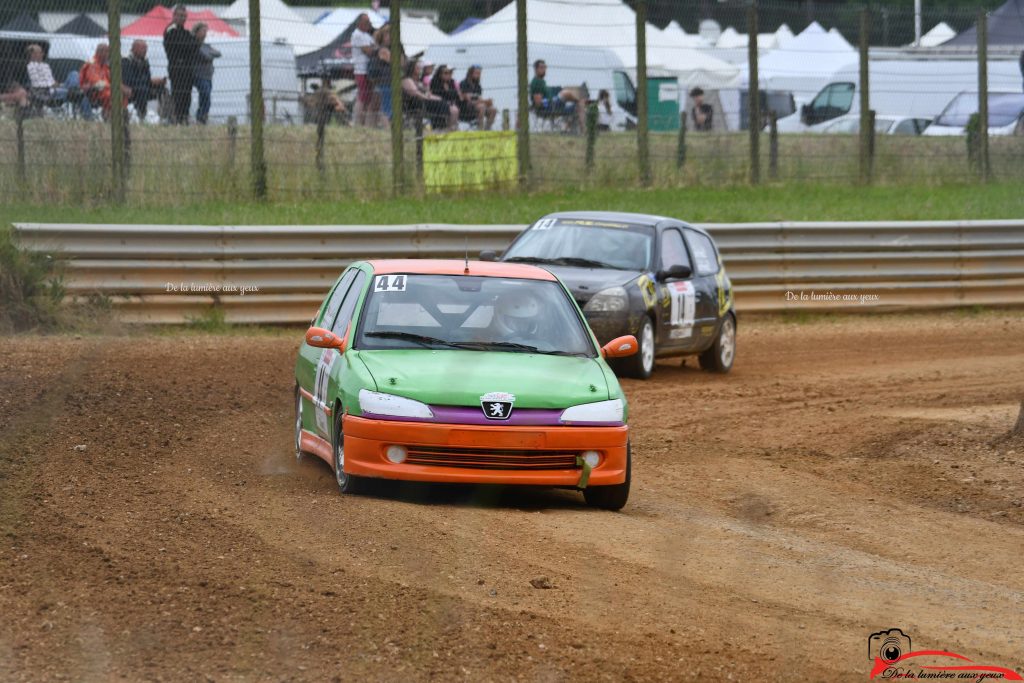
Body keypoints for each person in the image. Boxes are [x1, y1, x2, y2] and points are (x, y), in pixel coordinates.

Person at [164, 4, 199, 124]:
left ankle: (185, 117)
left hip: (187, 68)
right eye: (180, 15)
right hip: (177, 67)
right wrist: (188, 45)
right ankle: (178, 118)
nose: (182, 18)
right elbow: (181, 46)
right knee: (178, 93)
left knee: (187, 93)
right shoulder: (170, 30)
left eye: (184, 16)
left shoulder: (185, 32)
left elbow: (194, 46)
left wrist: (188, 45)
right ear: (174, 16)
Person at [402, 59, 456, 132]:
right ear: (412, 68)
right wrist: (428, 97)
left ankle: (444, 127)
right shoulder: (407, 80)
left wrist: (437, 98)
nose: (420, 68)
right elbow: (417, 94)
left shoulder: (419, 81)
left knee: (442, 102)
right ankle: (439, 128)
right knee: (439, 105)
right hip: (415, 103)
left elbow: (428, 92)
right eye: (418, 66)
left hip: (424, 100)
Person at [79, 43, 131, 120]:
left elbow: (112, 80)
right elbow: (97, 83)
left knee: (123, 94)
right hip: (94, 92)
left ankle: (120, 117)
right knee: (114, 94)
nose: (108, 55)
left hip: (107, 90)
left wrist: (122, 87)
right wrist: (117, 87)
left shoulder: (105, 66)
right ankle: (110, 116)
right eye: (107, 52)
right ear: (99, 52)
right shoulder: (91, 65)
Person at [529, 59, 585, 130]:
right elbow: (538, 104)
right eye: (541, 67)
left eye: (545, 67)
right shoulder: (536, 82)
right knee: (566, 93)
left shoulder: (541, 81)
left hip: (554, 106)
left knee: (578, 106)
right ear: (536, 69)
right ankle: (578, 100)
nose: (544, 69)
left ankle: (571, 129)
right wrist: (548, 102)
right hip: (549, 108)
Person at [122, 39, 166, 121]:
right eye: (142, 48)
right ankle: (141, 115)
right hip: (131, 88)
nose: (145, 51)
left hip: (144, 85)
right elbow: (129, 80)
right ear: (134, 48)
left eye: (146, 48)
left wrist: (156, 81)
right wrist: (149, 81)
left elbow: (147, 77)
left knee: (163, 89)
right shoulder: (126, 61)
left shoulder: (145, 61)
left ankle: (164, 115)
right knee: (142, 89)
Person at [192, 23, 220, 125]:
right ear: (197, 32)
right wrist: (210, 55)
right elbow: (205, 56)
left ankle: (203, 117)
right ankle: (200, 116)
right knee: (205, 93)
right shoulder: (194, 45)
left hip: (208, 76)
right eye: (203, 31)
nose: (205, 34)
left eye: (206, 31)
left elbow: (218, 53)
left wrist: (209, 54)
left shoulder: (206, 45)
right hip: (198, 75)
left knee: (206, 97)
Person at [351, 13, 376, 126]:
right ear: (359, 23)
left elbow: (374, 47)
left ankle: (364, 123)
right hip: (361, 70)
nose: (368, 23)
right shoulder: (357, 35)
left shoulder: (366, 35)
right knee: (362, 97)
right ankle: (357, 122)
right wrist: (376, 50)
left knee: (368, 98)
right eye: (366, 21)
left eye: (369, 21)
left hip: (368, 70)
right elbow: (368, 51)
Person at [458, 65, 496, 130]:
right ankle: (480, 129)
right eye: (477, 73)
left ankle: (487, 129)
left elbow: (479, 98)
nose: (479, 75)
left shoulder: (477, 85)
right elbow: (468, 101)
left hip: (477, 106)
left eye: (479, 74)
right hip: (466, 108)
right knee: (482, 107)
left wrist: (488, 102)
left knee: (493, 109)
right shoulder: (464, 83)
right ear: (470, 73)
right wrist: (484, 102)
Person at [429, 64, 461, 131]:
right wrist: (447, 91)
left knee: (455, 109)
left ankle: (452, 128)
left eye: (450, 73)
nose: (448, 75)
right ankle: (450, 129)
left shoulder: (451, 82)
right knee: (454, 110)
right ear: (440, 74)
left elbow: (456, 95)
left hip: (450, 103)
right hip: (437, 104)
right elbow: (437, 94)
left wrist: (448, 91)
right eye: (446, 73)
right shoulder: (435, 81)